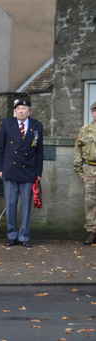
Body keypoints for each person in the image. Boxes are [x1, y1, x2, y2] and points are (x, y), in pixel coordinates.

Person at [0, 97, 44, 248]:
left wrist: (38, 172)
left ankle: (24, 236)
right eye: (18, 109)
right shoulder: (7, 124)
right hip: (10, 170)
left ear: (29, 111)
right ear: (14, 111)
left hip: (29, 171)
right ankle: (11, 235)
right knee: (10, 205)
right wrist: (0, 169)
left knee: (26, 206)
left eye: (24, 109)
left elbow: (39, 151)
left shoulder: (37, 125)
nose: (21, 111)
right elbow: (0, 148)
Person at [75, 101, 96, 246]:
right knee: (90, 202)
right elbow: (78, 150)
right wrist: (79, 170)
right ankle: (92, 232)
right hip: (90, 169)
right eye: (95, 110)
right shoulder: (85, 130)